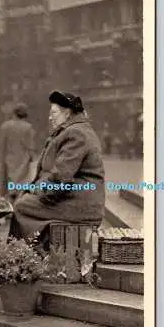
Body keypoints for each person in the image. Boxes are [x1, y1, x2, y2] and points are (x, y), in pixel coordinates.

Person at [12, 90, 105, 241]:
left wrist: (39, 193)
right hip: (76, 199)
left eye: (53, 113)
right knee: (24, 201)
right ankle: (30, 251)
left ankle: (23, 253)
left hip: (80, 204)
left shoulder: (76, 133)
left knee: (22, 206)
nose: (50, 117)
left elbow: (61, 177)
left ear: (67, 113)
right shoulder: (75, 130)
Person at [0, 102, 36, 202]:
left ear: (14, 114)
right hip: (22, 163)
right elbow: (30, 148)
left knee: (7, 191)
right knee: (20, 192)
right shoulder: (28, 128)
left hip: (7, 162)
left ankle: (9, 213)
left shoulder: (5, 126)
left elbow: (2, 146)